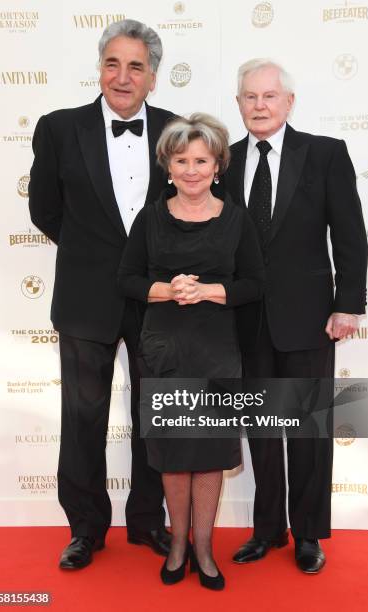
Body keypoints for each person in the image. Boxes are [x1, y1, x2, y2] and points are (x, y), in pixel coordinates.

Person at [29, 19, 175, 570]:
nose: (122, 75)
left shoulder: (174, 129)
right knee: (82, 417)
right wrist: (94, 257)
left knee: (155, 415)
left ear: (152, 78)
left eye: (135, 66)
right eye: (113, 63)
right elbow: (44, 210)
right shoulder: (59, 128)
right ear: (99, 68)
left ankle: (146, 523)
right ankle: (86, 529)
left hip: (157, 300)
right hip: (86, 298)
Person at [224, 59, 368, 573]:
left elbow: (349, 233)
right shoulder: (225, 159)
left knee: (308, 431)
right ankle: (267, 529)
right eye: (249, 97)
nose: (259, 106)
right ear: (238, 103)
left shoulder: (325, 155)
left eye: (268, 96)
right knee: (262, 429)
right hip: (245, 320)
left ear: (288, 102)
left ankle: (308, 534)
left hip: (309, 317)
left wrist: (348, 302)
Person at [117, 113, 264, 590]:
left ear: (217, 166)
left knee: (209, 455)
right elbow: (127, 279)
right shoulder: (151, 218)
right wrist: (167, 288)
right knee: (174, 454)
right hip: (164, 350)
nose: (192, 169)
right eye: (182, 160)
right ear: (168, 165)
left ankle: (203, 547)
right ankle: (177, 544)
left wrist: (209, 291)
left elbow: (254, 285)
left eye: (201, 160)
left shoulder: (236, 218)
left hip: (217, 350)